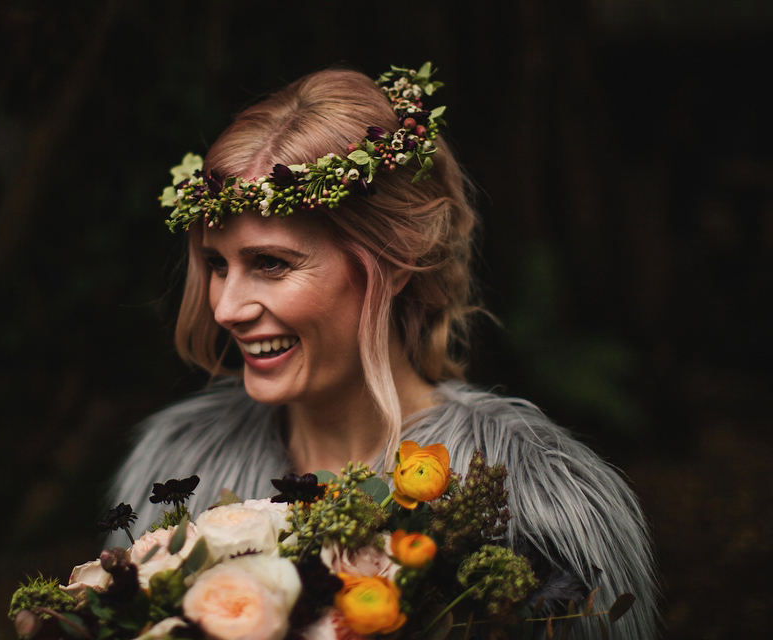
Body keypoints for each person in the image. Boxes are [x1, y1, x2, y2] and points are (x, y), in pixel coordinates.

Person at [110, 65, 657, 639]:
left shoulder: (538, 504)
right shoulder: (174, 468)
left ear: (392, 263)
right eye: (219, 264)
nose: (225, 309)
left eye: (271, 263)